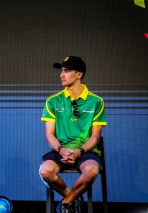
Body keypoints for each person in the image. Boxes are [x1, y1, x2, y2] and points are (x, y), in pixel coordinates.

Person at [39, 56, 107, 213]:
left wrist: (79, 152)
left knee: (92, 171)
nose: (61, 75)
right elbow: (49, 135)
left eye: (66, 71)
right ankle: (72, 198)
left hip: (85, 151)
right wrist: (62, 150)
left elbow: (95, 137)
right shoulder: (53, 101)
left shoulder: (96, 102)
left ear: (79, 74)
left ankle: (65, 204)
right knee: (44, 171)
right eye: (61, 71)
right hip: (60, 150)